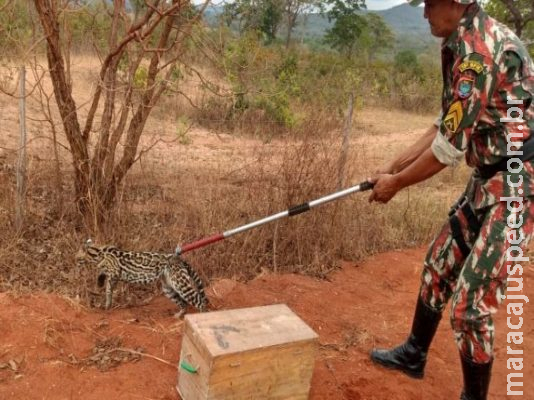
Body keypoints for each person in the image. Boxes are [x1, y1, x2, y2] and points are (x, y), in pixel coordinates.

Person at [367, 0, 534, 399]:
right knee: (439, 261)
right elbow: (447, 124)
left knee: (470, 305)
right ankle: (413, 354)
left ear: (456, 4)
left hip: (518, 185)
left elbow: (448, 149)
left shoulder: (478, 51)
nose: (424, 13)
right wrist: (390, 167)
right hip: (490, 177)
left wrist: (397, 184)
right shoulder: (463, 41)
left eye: (430, 4)